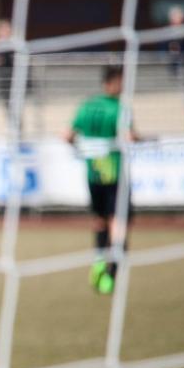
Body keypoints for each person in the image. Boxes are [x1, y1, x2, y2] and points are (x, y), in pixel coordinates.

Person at [64, 65, 138, 295]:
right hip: (113, 173)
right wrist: (139, 138)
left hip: (93, 172)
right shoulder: (119, 108)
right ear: (112, 83)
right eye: (121, 82)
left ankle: (97, 262)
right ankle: (110, 273)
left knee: (99, 221)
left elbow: (67, 136)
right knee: (118, 222)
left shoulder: (86, 106)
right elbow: (129, 137)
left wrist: (85, 149)